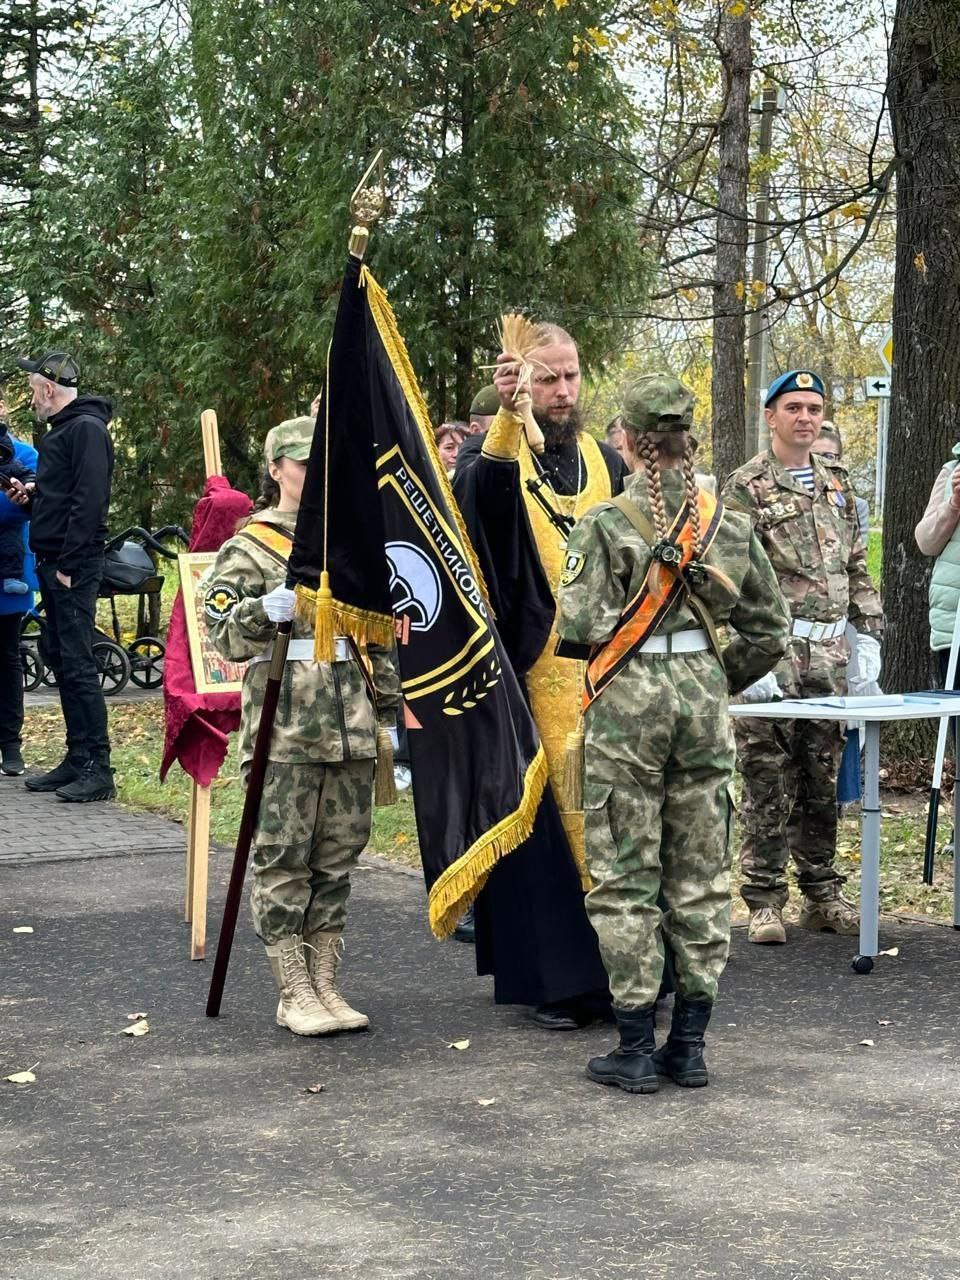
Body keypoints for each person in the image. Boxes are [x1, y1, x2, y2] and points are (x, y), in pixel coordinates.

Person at [556, 374, 789, 1093]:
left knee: (628, 875)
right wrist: (714, 676)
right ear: (690, 441)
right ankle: (688, 1044)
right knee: (700, 875)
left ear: (625, 439)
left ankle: (633, 1046)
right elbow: (770, 630)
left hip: (629, 707)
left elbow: (579, 628)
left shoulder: (603, 524)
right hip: (701, 703)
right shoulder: (731, 522)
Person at [454, 322, 629, 1029]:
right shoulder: (489, 454)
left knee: (619, 823)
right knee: (546, 830)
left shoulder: (601, 459)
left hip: (611, 677)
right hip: (532, 678)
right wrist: (505, 418)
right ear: (522, 381)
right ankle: (558, 985)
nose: (562, 392)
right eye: (547, 379)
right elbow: (483, 506)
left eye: (570, 376)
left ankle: (629, 972)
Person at [204, 417, 400, 1037]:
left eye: (320, 461)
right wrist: (264, 609)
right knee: (283, 857)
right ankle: (293, 991)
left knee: (338, 858)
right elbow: (221, 634)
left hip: (351, 722)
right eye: (299, 461)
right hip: (286, 727)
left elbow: (378, 638)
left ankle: (326, 984)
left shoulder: (352, 543)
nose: (311, 473)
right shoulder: (252, 546)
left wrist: (389, 723)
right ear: (275, 468)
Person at [723, 369, 884, 944]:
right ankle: (764, 900)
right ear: (771, 416)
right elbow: (729, 577)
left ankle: (821, 893)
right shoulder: (745, 486)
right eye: (794, 408)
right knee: (767, 776)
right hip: (774, 651)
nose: (806, 418)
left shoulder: (837, 482)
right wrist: (747, 655)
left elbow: (857, 568)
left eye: (814, 408)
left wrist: (868, 640)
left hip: (832, 654)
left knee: (822, 777)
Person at [7, 352, 116, 803]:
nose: (32, 399)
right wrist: (31, 499)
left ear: (48, 390)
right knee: (62, 657)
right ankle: (77, 758)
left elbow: (90, 503)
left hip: (73, 563)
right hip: (54, 559)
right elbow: (62, 500)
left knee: (78, 662)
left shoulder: (86, 429)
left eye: (33, 390)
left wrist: (70, 564)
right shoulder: (64, 432)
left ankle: (98, 768)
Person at [0, 394, 39, 777]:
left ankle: (10, 745)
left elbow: (20, 508)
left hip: (8, 579)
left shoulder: (26, 455)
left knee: (7, 659)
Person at [812, 423, 869, 541]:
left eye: (828, 456)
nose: (821, 461)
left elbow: (858, 553)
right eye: (815, 455)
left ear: (839, 460)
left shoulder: (858, 506)